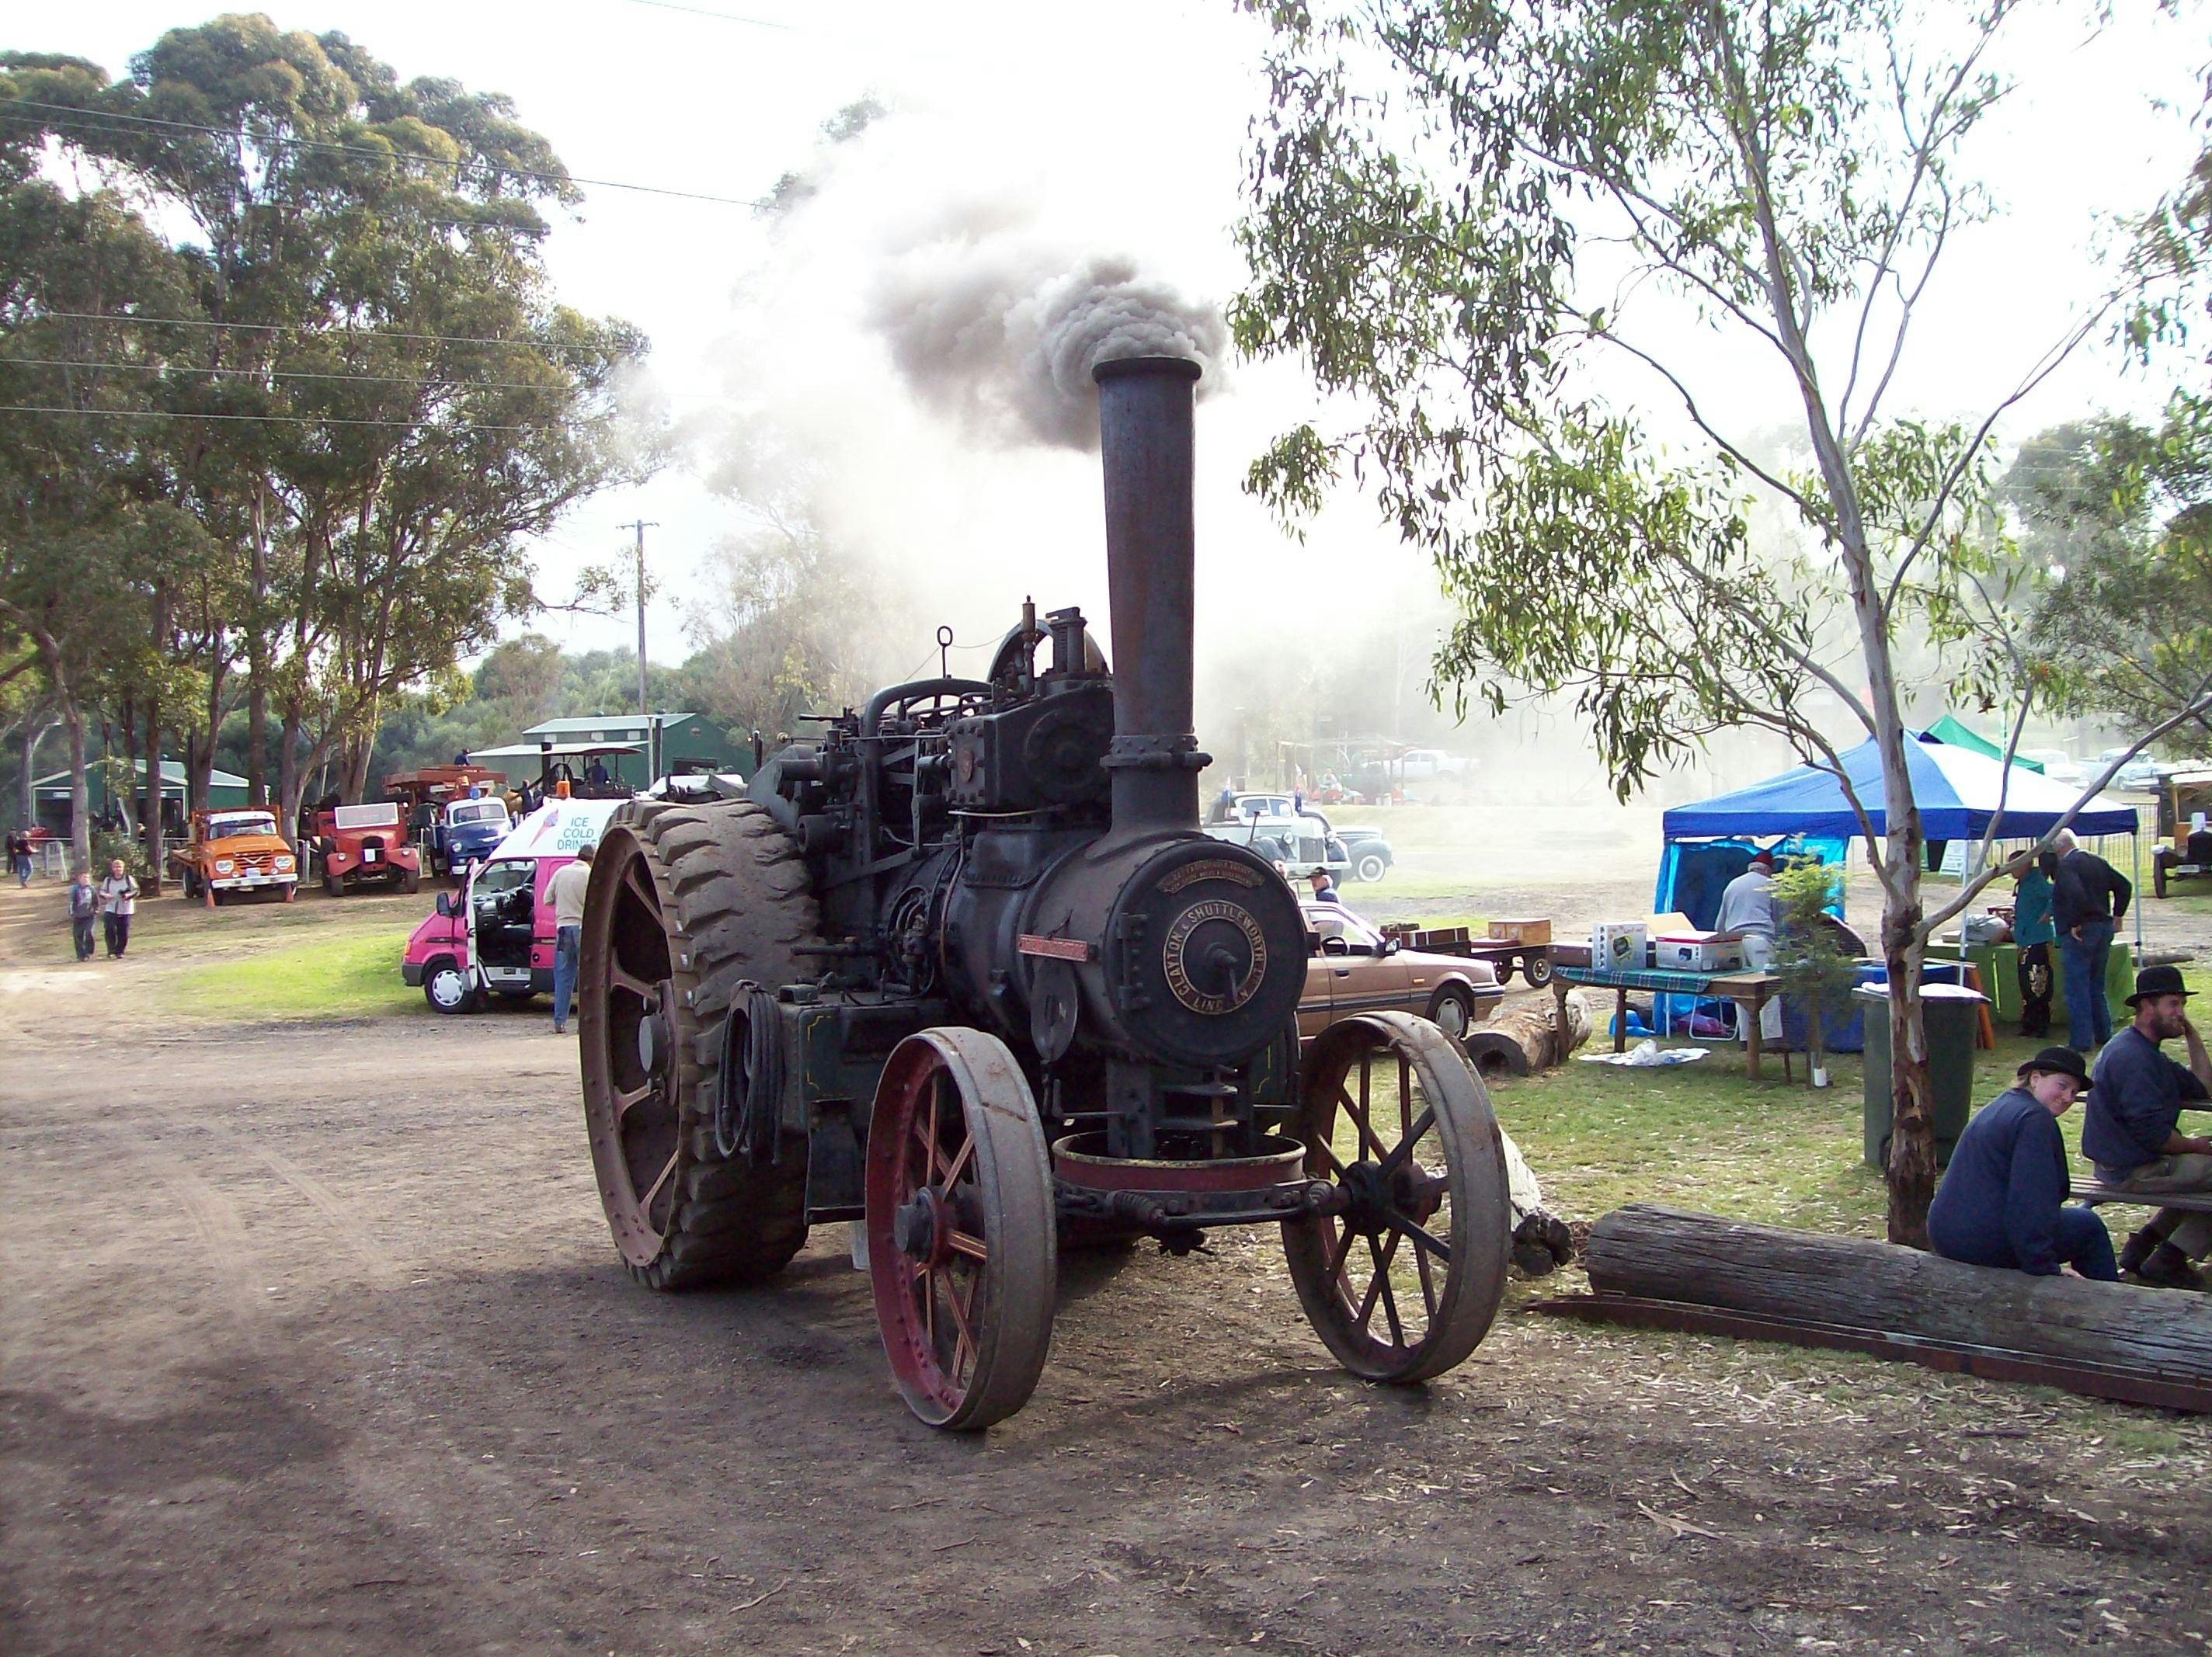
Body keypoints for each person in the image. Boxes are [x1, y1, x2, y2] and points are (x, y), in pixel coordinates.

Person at [1929, 1046, 2116, 1281]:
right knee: (2090, 1227)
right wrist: (2043, 1266)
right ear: (2035, 1078)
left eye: (2074, 1091)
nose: (2068, 1097)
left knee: (2078, 1218)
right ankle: (2109, 1305)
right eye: (2062, 1085)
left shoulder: (2003, 1105)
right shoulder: (2035, 1120)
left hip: (1945, 1233)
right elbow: (2030, 1201)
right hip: (1979, 1241)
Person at [2082, 964, 2212, 1288]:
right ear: (2147, 1006)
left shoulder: (2148, 1052)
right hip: (2128, 1170)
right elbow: (2154, 1135)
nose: (2179, 1013)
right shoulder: (2132, 1058)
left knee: (2202, 1173)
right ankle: (2169, 1260)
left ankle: (2141, 1247)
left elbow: (2203, 1087)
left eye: (2182, 1005)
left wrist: (2192, 1034)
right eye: (2173, 1004)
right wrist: (2197, 1146)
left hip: (2139, 1161)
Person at [2052, 829, 2132, 1052]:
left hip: (2082, 931)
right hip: (2103, 927)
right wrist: (2118, 915)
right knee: (2096, 985)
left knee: (2077, 987)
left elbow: (2075, 894)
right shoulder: (2097, 861)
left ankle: (2081, 1041)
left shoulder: (2067, 866)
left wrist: (2075, 922)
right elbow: (2124, 886)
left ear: (2059, 848)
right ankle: (2104, 1033)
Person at [1712, 849, 1783, 1044]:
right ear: (1768, 870)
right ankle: (1772, 1038)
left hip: (1735, 943)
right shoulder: (1771, 885)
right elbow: (1779, 918)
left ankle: (1746, 1039)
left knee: (1742, 992)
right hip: (1760, 940)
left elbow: (1719, 924)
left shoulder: (1733, 885)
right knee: (1768, 989)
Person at [546, 844, 595, 1035]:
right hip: (584, 928)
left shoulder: (560, 872)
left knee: (563, 977)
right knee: (589, 977)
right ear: (591, 859)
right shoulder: (590, 874)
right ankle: (587, 1023)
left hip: (563, 929)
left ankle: (560, 1022)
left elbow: (546, 899)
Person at [2011, 849, 2059, 1038]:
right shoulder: (2024, 883)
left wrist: (2048, 914)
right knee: (2026, 983)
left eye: (2014, 866)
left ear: (2024, 865)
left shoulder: (2036, 881)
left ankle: (2041, 1025)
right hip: (2025, 939)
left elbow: (2057, 894)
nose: (2010, 870)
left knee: (2038, 983)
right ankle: (2029, 1023)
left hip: (2037, 939)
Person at [96, 857, 137, 959]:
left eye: (120, 867)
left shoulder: (128, 879)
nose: (118, 869)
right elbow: (102, 891)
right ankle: (111, 950)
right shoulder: (108, 880)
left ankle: (120, 951)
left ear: (123, 868)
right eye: (116, 867)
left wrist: (127, 896)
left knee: (123, 931)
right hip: (111, 907)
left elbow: (136, 890)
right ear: (112, 868)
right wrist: (106, 895)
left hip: (125, 909)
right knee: (109, 928)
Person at [66, 867, 97, 961]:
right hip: (78, 915)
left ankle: (89, 951)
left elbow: (95, 901)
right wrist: (72, 913)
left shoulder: (91, 889)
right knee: (78, 935)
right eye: (84, 877)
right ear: (80, 879)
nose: (86, 879)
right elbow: (72, 902)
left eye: (87, 877)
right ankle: (80, 955)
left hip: (89, 915)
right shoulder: (75, 889)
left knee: (89, 933)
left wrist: (95, 910)